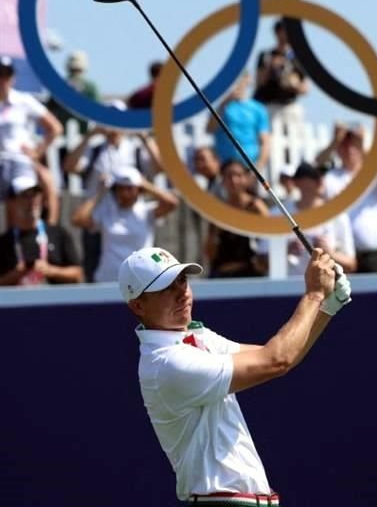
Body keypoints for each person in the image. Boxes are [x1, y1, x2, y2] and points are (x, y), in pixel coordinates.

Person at [120, 244, 351, 504]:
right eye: (165, 288)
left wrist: (327, 306)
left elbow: (282, 354)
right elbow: (276, 360)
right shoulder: (167, 362)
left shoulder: (198, 338)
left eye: (182, 281)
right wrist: (314, 295)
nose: (182, 294)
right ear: (138, 305)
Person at [63, 101, 163, 282]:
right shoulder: (95, 150)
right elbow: (69, 167)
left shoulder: (134, 149)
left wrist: (143, 136)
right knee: (94, 270)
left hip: (132, 217)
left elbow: (158, 168)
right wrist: (90, 135)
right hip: (97, 219)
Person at [71, 166, 178, 283]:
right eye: (120, 188)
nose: (125, 193)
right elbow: (77, 220)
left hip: (142, 279)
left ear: (138, 189)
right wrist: (99, 192)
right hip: (109, 279)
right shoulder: (105, 212)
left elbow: (172, 203)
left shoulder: (147, 211)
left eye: (130, 188)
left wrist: (143, 183)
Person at [318, 123, 377, 273]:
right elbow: (314, 168)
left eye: (353, 145)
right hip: (340, 254)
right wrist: (335, 141)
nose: (350, 149)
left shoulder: (372, 174)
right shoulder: (331, 177)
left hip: (371, 254)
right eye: (344, 145)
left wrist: (363, 144)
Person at [0, 55, 62, 225]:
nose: (3, 80)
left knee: (23, 204)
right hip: (1, 160)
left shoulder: (23, 100)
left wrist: (37, 152)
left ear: (12, 78)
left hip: (20, 160)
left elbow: (55, 128)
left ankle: (50, 231)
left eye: (6, 75)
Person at [0, 174, 81, 286]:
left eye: (35, 195)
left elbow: (78, 274)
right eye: (25, 196)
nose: (32, 201)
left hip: (56, 301)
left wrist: (51, 271)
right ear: (12, 203)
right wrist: (16, 274)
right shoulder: (5, 242)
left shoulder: (58, 234)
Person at [284, 162, 355, 276]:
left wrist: (330, 254)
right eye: (314, 177)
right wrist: (285, 251)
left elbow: (351, 264)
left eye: (321, 177)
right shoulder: (280, 214)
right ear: (297, 182)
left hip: (328, 289)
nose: (321, 181)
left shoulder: (338, 216)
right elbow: (261, 263)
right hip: (290, 288)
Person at [203, 160, 269, 278]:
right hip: (221, 275)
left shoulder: (256, 207)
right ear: (222, 180)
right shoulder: (218, 211)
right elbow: (209, 253)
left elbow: (269, 240)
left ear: (247, 179)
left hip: (251, 274)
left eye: (238, 175)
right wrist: (216, 232)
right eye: (228, 176)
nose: (233, 181)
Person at [253, 19, 309, 123]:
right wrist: (271, 66)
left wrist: (293, 84)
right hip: (270, 106)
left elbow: (305, 88)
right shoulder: (266, 56)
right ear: (278, 32)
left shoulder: (297, 58)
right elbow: (259, 82)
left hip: (290, 106)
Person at [46, 50, 99, 133]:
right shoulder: (91, 87)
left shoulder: (59, 85)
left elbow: (49, 109)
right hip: (84, 135)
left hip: (61, 133)